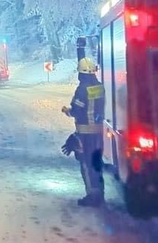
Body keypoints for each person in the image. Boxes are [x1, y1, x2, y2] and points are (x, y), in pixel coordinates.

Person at [62, 57, 105, 207]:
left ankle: (92, 196)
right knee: (96, 163)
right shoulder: (100, 86)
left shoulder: (82, 89)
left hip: (85, 133)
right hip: (99, 132)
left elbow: (77, 111)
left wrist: (67, 111)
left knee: (86, 164)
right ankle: (100, 193)